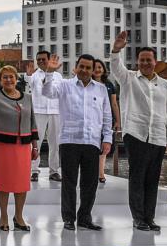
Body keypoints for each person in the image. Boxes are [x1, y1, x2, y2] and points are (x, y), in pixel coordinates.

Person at [111, 31, 167, 232]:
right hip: (136, 134)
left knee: (153, 180)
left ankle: (150, 217)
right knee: (137, 178)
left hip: (157, 136)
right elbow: (115, 67)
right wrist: (116, 50)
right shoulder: (128, 78)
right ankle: (138, 218)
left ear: (155, 62)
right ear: (137, 62)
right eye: (142, 60)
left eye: (149, 60)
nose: (146, 63)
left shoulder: (164, 85)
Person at [42, 54, 113, 231]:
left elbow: (106, 116)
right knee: (69, 182)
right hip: (69, 140)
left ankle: (85, 218)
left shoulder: (101, 89)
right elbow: (47, 92)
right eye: (81, 66)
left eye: (88, 67)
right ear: (76, 67)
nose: (85, 70)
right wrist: (49, 73)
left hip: (92, 141)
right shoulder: (65, 85)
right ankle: (68, 218)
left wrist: (108, 138)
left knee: (90, 183)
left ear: (92, 70)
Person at [0, 66, 39, 231]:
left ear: (17, 78)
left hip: (23, 146)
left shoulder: (27, 98)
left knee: (22, 184)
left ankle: (19, 216)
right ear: (0, 80)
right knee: (3, 183)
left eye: (11, 77)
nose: (9, 80)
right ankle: (3, 216)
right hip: (1, 147)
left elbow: (32, 122)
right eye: (5, 77)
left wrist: (35, 145)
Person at [24, 51, 62, 182]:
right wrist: (28, 75)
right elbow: (29, 83)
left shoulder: (58, 76)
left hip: (55, 111)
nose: (40, 62)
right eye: (38, 60)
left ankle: (54, 171)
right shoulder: (34, 75)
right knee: (35, 143)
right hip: (38, 111)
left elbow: (58, 92)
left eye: (43, 59)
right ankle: (34, 170)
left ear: (49, 59)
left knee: (55, 143)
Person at [92, 59, 121, 183]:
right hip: (92, 119)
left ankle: (101, 173)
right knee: (92, 147)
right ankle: (92, 172)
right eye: (95, 67)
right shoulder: (88, 84)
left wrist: (118, 121)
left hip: (107, 120)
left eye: (100, 67)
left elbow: (114, 104)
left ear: (103, 69)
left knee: (104, 148)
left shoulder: (109, 85)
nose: (98, 70)